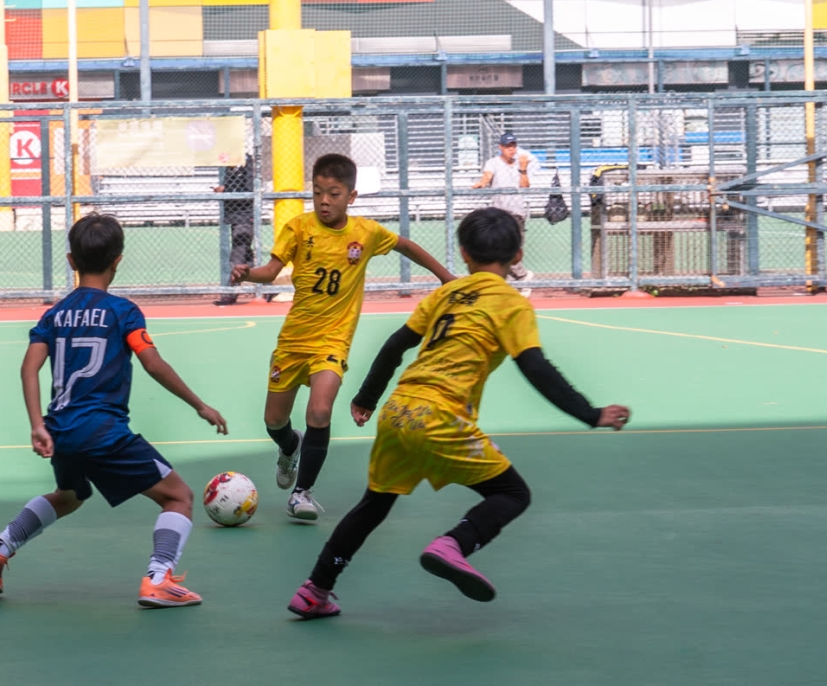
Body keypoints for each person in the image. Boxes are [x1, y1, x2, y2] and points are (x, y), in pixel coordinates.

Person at [286, 207, 630, 619]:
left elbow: (395, 346)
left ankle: (314, 590)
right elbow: (536, 367)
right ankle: (454, 544)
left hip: (399, 410)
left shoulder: (445, 295)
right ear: (517, 256)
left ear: (463, 253)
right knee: (512, 494)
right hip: (441, 416)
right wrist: (590, 414)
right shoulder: (511, 304)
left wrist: (367, 397)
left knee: (374, 505)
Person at [0, 213, 228, 608]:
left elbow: (28, 368)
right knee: (178, 497)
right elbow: (152, 363)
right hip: (103, 432)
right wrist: (200, 405)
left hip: (61, 430)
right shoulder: (123, 312)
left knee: (69, 495)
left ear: (71, 260)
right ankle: (159, 579)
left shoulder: (54, 314)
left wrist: (38, 425)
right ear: (118, 260)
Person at [231, 153, 455, 522]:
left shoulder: (365, 233)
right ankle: (290, 446)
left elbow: (405, 245)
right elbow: (270, 271)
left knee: (320, 410)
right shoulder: (298, 228)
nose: (324, 201)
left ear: (351, 196)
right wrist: (247, 274)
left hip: (332, 341)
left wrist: (445, 278)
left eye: (333, 194)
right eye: (317, 192)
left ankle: (301, 493)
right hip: (293, 342)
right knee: (274, 421)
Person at [471, 132, 537, 290]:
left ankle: (514, 283)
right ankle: (522, 276)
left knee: (514, 250)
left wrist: (523, 169)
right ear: (501, 147)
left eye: (513, 146)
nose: (511, 149)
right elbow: (487, 176)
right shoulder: (493, 163)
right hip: (499, 214)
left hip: (517, 212)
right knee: (500, 249)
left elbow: (525, 186)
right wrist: (481, 183)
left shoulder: (522, 164)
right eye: (507, 146)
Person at [213, 154, 255, 306]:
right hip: (234, 217)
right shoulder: (228, 166)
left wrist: (225, 190)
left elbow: (249, 190)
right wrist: (225, 189)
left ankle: (229, 294)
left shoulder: (246, 162)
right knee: (247, 260)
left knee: (237, 258)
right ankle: (269, 286)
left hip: (244, 217)